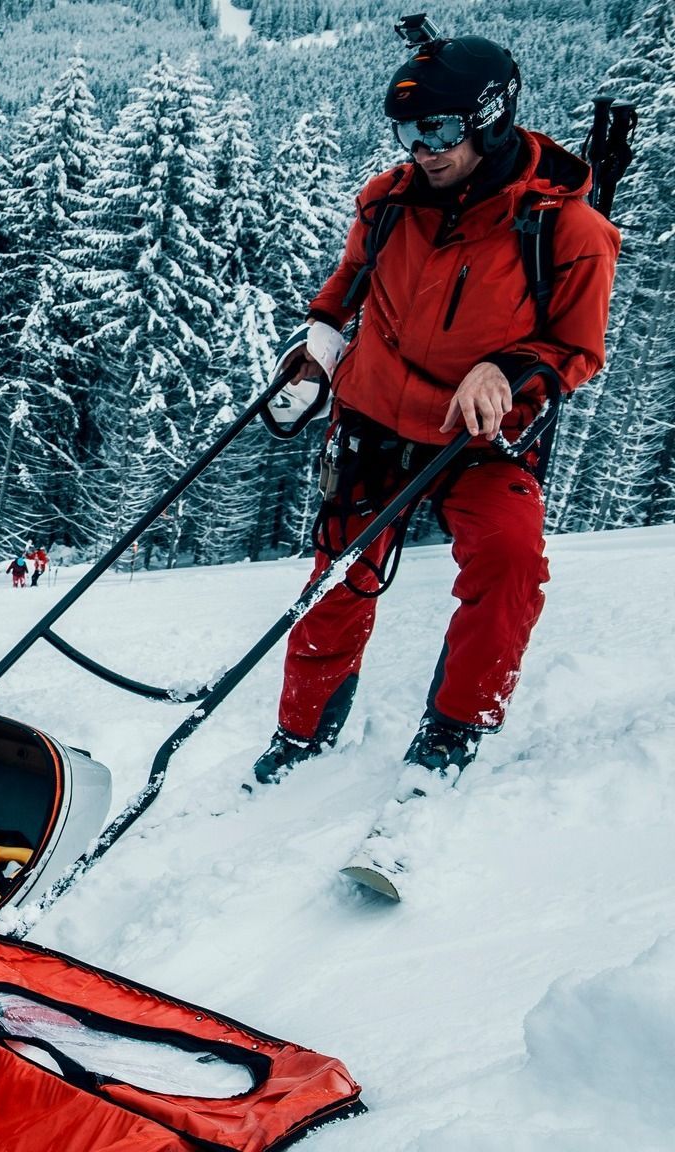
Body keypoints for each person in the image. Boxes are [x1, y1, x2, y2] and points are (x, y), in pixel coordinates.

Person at [253, 32, 618, 792]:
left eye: (441, 130)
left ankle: (455, 726)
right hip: (373, 417)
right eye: (410, 132)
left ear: (489, 118)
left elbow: (577, 350)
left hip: (477, 437)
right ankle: (302, 732)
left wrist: (510, 368)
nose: (423, 149)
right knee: (337, 577)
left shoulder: (566, 229)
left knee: (511, 559)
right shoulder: (389, 203)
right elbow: (346, 286)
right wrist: (316, 355)